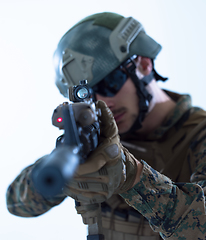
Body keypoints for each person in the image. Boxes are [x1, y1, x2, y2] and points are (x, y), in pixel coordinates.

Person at [6, 12, 206, 240]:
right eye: (91, 96)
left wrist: (133, 176)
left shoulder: (199, 135)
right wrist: (65, 170)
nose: (104, 102)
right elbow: (16, 203)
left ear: (143, 63)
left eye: (110, 83)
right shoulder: (99, 139)